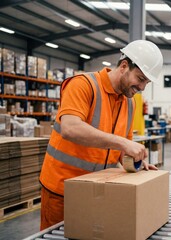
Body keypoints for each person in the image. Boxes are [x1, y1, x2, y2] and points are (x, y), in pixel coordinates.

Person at [39, 40, 163, 230]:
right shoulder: (83, 85)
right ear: (123, 66)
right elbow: (70, 128)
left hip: (98, 190)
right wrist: (123, 143)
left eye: (146, 82)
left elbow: (122, 148)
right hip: (62, 192)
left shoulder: (129, 103)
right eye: (140, 79)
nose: (142, 87)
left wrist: (136, 161)